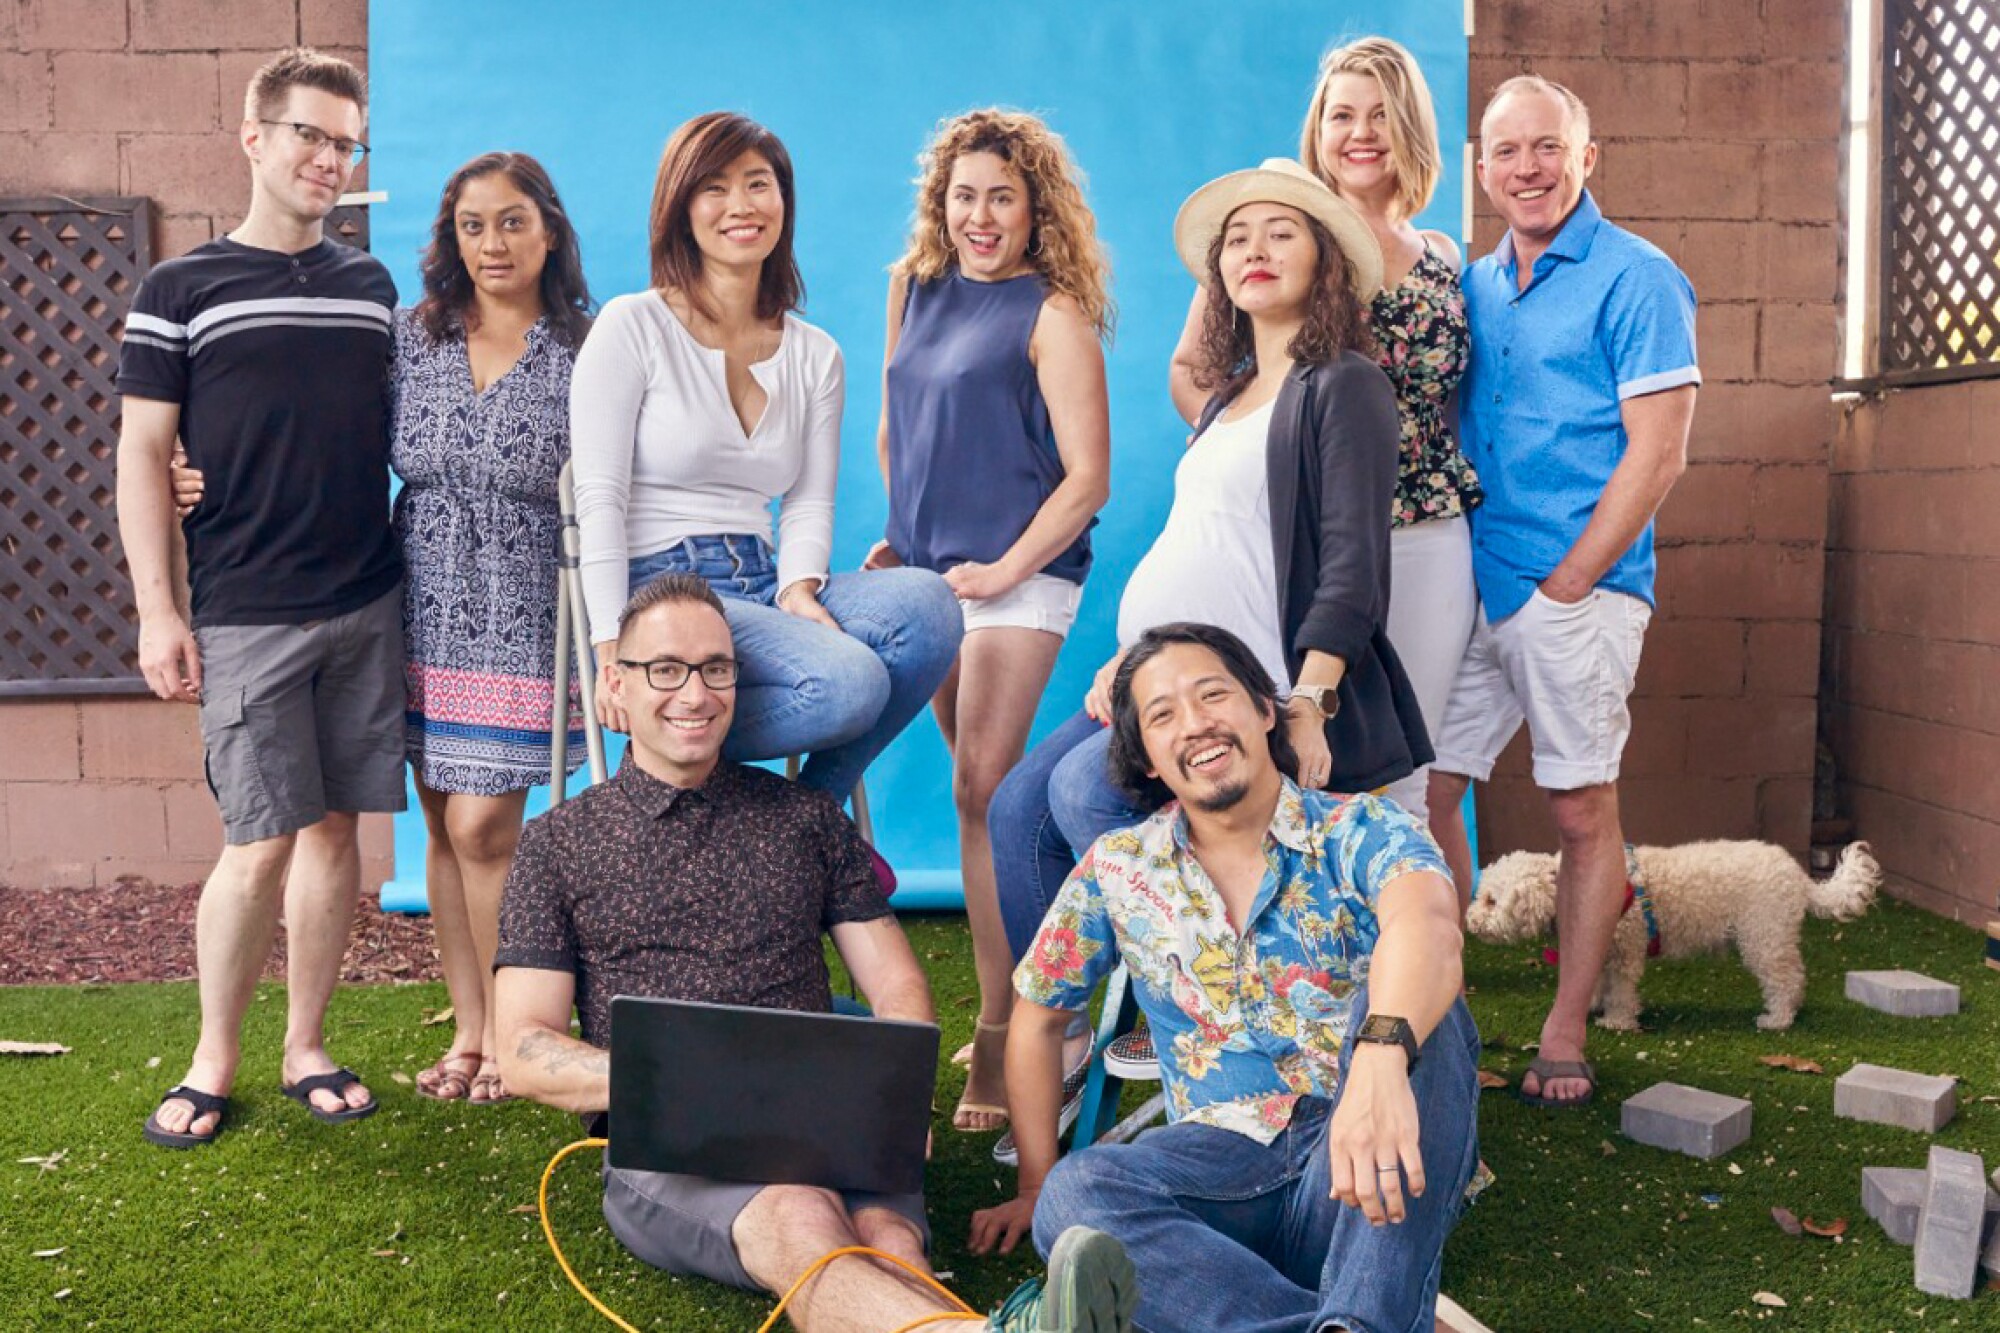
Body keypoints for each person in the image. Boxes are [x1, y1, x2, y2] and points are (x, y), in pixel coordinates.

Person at [492, 573, 1136, 1333]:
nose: (694, 694)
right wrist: (691, 1073)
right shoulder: (558, 842)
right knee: (802, 1217)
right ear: (617, 686)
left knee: (890, 1238)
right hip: (670, 1143)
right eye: (666, 669)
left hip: (823, 1110)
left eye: (716, 668)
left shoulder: (804, 819)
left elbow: (895, 980)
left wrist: (890, 1099)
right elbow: (524, 1049)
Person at [172, 152, 596, 1107]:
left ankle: (519, 1036)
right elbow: (309, 422)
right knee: (445, 823)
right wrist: (189, 467)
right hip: (413, 592)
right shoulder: (413, 337)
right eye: (473, 224)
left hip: (527, 597)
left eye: (514, 221)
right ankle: (475, 1031)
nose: (494, 242)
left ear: (552, 232)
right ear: (450, 238)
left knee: (489, 820)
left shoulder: (591, 345)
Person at [970, 622, 1480, 1333]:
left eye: (1214, 694)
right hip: (1220, 1171)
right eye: (1163, 714)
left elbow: (1427, 923)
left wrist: (1379, 1058)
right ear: (1146, 756)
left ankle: (1360, 1314)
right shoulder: (1120, 866)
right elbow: (1038, 1012)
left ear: (1265, 711)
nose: (1196, 723)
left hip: (1366, 1154)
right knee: (1074, 1194)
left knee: (1425, 1011)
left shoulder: (1361, 827)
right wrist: (1032, 1183)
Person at [989, 158, 1430, 971]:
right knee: (1018, 809)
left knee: (1085, 793)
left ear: (1324, 258)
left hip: (1257, 683)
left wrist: (1308, 699)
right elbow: (1210, 546)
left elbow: (1354, 566)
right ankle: (1077, 1034)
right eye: (1236, 239)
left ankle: (1206, 998)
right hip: (1164, 672)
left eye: (1281, 232)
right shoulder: (1228, 397)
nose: (1254, 250)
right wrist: (1137, 658)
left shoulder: (1346, 385)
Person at [118, 48, 399, 1146]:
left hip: (368, 598)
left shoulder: (368, 288)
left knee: (336, 833)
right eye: (309, 136)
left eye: (345, 142)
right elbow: (144, 456)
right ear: (256, 139)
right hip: (244, 608)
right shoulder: (178, 289)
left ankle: (306, 1045)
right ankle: (212, 1059)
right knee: (257, 840)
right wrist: (158, 608)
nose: (329, 159)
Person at [1427, 76, 1699, 1109]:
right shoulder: (1475, 281)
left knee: (1579, 807)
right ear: (1482, 168)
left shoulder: (1639, 278)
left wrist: (1571, 577)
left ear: (1586, 157)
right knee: (1426, 788)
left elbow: (1659, 451)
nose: (1526, 168)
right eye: (1505, 152)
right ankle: (1436, 998)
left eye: (1547, 147)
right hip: (1471, 583)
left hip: (1571, 590)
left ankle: (1563, 1024)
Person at [570, 112, 961, 801]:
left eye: (759, 183)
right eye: (715, 188)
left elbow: (808, 500)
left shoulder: (816, 353)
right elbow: (599, 498)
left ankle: (805, 818)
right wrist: (610, 653)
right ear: (680, 206)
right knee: (848, 680)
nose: (742, 205)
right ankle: (779, 820)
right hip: (659, 592)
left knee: (929, 604)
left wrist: (799, 589)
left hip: (761, 582)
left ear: (784, 200)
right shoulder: (633, 326)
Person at [872, 109, 1113, 1133]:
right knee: (980, 804)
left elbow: (1087, 478)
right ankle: (1036, 1012)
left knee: (979, 783)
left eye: (1000, 198)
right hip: (932, 575)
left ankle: (1007, 1026)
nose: (979, 216)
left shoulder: (1049, 314)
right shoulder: (911, 289)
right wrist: (902, 537)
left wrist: (1005, 566)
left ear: (1033, 210)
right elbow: (896, 430)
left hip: (1023, 572)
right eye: (962, 195)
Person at [1169, 36, 1473, 822]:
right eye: (1342, 115)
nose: (1360, 132)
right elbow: (1191, 372)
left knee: (1408, 762)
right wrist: (1260, 451)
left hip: (1424, 536)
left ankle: (1425, 941)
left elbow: (1453, 401)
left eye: (1380, 114)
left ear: (1410, 128)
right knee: (1314, 745)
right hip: (1311, 537)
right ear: (1320, 128)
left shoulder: (1441, 255)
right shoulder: (1274, 231)